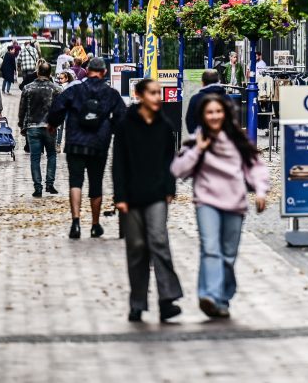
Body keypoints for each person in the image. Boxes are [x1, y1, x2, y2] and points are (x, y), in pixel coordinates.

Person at [171, 93, 269, 319]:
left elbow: (255, 167)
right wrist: (199, 149)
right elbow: (178, 170)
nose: (214, 116)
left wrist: (261, 191)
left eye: (218, 111)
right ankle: (210, 296)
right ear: (203, 117)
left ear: (224, 114)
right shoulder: (198, 139)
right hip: (206, 202)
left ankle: (223, 297)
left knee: (228, 254)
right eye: (209, 112)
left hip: (235, 203)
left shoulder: (237, 139)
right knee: (210, 249)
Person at [113, 78, 182, 323]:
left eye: (159, 93)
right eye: (153, 93)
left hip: (157, 195)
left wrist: (170, 188)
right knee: (137, 248)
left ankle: (167, 298)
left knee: (159, 240)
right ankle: (137, 302)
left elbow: (169, 161)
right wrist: (119, 196)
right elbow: (118, 162)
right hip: (131, 196)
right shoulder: (125, 125)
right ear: (139, 95)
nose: (157, 97)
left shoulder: (164, 125)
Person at [47, 57, 125, 239]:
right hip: (99, 143)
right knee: (96, 183)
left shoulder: (75, 89)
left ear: (88, 70)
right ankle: (95, 224)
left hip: (75, 141)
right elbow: (122, 116)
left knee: (75, 181)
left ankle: (75, 222)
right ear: (104, 72)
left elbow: (58, 107)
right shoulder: (111, 93)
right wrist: (109, 128)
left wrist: (53, 123)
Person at [20, 62, 62, 197]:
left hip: (33, 126)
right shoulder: (56, 89)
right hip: (50, 127)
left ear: (38, 72)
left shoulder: (28, 88)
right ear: (50, 74)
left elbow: (22, 109)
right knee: (51, 155)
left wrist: (22, 125)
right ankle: (50, 183)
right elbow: (60, 109)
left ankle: (38, 187)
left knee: (35, 158)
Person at [185, 69, 228, 135]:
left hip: (201, 139)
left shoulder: (195, 99)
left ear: (202, 83)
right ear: (218, 81)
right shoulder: (226, 98)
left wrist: (196, 136)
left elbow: (190, 120)